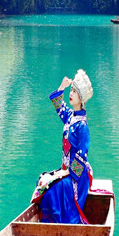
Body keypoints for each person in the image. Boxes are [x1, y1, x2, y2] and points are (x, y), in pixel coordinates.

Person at [34, 69, 93, 224]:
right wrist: (62, 87)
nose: (71, 93)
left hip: (77, 176)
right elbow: (58, 106)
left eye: (74, 91)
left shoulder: (82, 126)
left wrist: (67, 174)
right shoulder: (70, 117)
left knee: (52, 189)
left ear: (81, 99)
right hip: (66, 171)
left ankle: (58, 222)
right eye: (71, 90)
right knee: (43, 181)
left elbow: (82, 154)